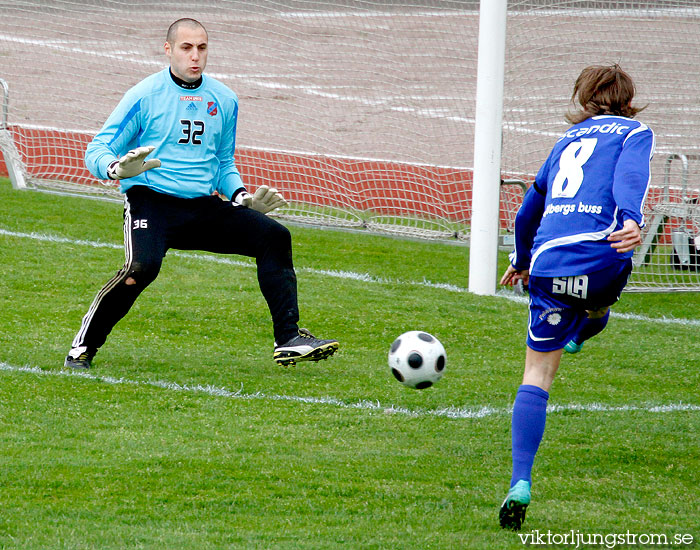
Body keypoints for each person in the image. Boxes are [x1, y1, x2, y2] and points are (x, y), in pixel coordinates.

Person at [64, 18, 338, 370]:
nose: (195, 56)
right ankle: (83, 346)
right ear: (168, 50)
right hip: (152, 201)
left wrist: (241, 197)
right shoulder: (144, 95)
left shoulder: (224, 99)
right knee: (140, 268)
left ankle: (288, 338)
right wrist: (117, 169)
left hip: (203, 206)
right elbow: (97, 148)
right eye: (186, 47)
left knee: (274, 236)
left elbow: (223, 162)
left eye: (202, 48)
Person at [498, 64, 654, 530]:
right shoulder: (635, 131)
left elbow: (530, 207)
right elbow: (629, 176)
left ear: (584, 98)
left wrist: (520, 259)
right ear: (628, 98)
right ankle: (588, 323)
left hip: (548, 263)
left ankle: (520, 482)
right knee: (597, 303)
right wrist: (630, 217)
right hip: (603, 256)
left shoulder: (566, 141)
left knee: (536, 374)